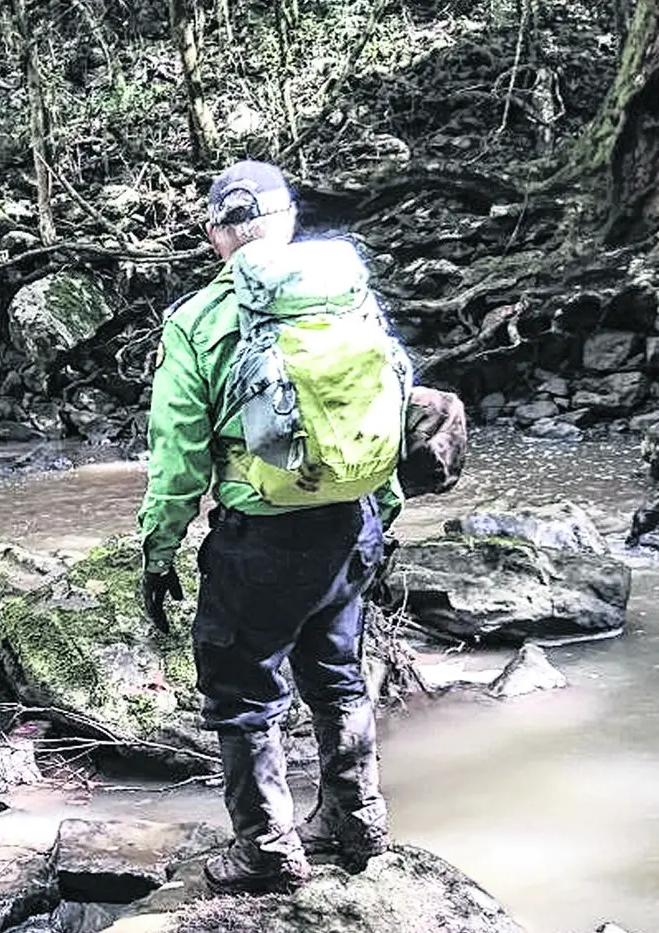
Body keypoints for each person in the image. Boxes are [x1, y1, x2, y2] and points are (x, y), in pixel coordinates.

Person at [136, 160, 403, 895]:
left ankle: (267, 850)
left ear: (219, 235)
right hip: (351, 521)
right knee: (339, 677)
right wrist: (387, 510)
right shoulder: (349, 297)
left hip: (260, 541)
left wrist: (158, 553)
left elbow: (179, 462)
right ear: (287, 222)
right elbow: (387, 412)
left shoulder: (197, 322)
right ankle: (358, 820)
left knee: (244, 692)